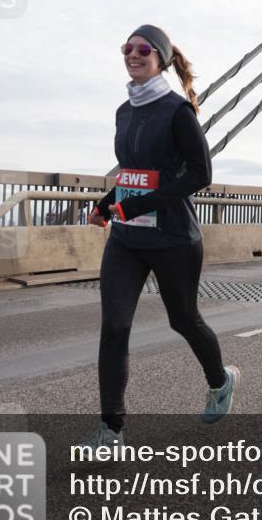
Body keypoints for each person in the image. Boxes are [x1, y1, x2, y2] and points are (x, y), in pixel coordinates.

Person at [78, 24, 239, 454]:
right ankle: (111, 431)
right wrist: (107, 202)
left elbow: (200, 174)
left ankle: (220, 380)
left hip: (173, 238)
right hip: (127, 239)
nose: (133, 54)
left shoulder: (177, 111)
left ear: (161, 59)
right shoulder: (124, 111)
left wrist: (137, 205)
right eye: (127, 48)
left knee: (183, 320)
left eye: (143, 49)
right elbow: (133, 171)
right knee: (114, 328)